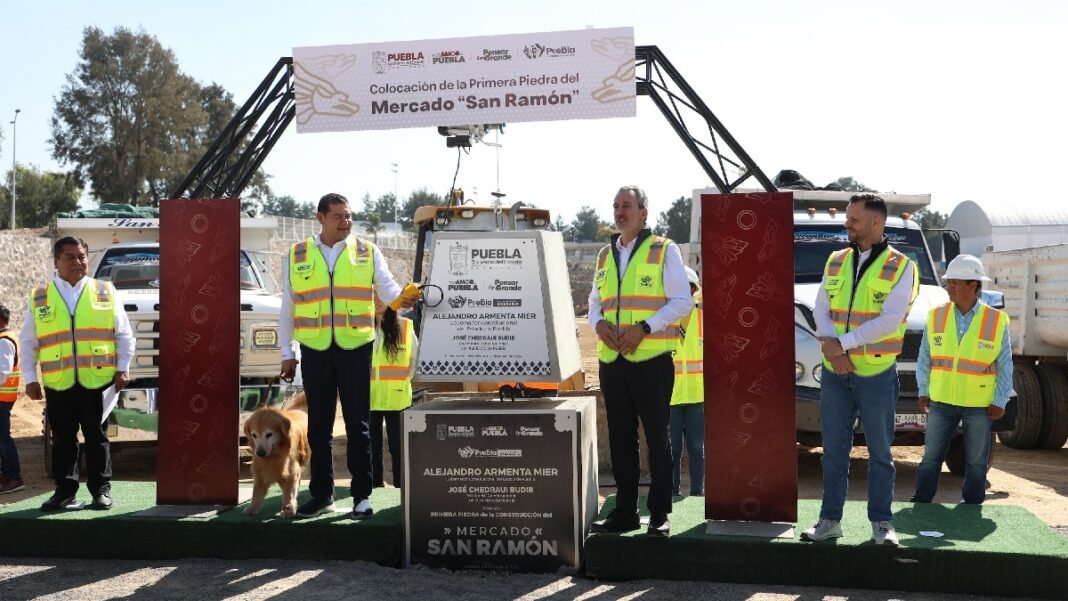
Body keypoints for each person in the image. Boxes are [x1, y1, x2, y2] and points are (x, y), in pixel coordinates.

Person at [279, 193, 415, 519]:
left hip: (356, 348)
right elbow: (288, 307)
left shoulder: (367, 251)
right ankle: (323, 494)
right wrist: (287, 353)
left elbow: (388, 287)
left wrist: (405, 298)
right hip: (315, 349)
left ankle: (361, 496)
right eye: (338, 216)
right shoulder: (296, 255)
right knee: (319, 428)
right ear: (320, 217)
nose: (346, 222)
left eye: (349, 216)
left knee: (359, 426)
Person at [802, 194, 918, 547]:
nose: (847, 224)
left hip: (876, 376)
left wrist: (842, 344)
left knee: (881, 454)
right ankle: (829, 520)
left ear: (876, 224)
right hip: (836, 373)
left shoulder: (903, 267)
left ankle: (882, 524)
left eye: (854, 219)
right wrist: (830, 347)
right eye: (848, 217)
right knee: (833, 452)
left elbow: (889, 321)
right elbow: (822, 308)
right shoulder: (835, 260)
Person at [588, 185, 694, 537]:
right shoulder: (605, 255)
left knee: (657, 439)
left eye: (627, 206)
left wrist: (643, 328)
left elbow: (682, 302)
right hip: (613, 360)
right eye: (616, 205)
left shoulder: (664, 249)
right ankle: (626, 512)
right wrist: (598, 324)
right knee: (620, 439)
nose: (620, 212)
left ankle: (660, 514)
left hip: (650, 359)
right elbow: (593, 303)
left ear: (644, 213)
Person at [21, 237, 135, 511]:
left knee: (96, 437)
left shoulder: (105, 291)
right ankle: (65, 491)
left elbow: (124, 334)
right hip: (58, 382)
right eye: (70, 257)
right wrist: (30, 377)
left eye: (82, 256)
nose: (78, 262)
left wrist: (123, 367)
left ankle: (101, 490)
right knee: (63, 439)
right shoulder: (40, 297)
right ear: (56, 262)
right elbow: (28, 341)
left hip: (97, 380)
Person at [911, 254, 1012, 505]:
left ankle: (972, 504)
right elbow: (925, 357)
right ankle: (922, 501)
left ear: (973, 285)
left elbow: (1006, 365)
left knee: (977, 462)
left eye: (956, 282)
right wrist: (923, 389)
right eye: (949, 282)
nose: (950, 287)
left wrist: (1000, 399)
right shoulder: (936, 316)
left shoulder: (996, 320)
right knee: (931, 457)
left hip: (979, 403)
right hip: (941, 399)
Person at [370, 292, 418, 488]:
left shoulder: (405, 327)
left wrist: (401, 382)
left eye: (382, 295)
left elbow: (414, 361)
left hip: (397, 399)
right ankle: (373, 487)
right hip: (368, 398)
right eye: (373, 295)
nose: (378, 300)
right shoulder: (359, 328)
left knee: (398, 448)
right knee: (371, 448)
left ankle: (400, 487)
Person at [670, 266, 704, 498]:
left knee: (696, 448)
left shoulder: (704, 320)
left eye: (689, 288)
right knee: (672, 450)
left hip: (697, 397)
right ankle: (671, 492)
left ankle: (697, 494)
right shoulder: (664, 320)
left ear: (694, 291)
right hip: (669, 397)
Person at [0, 303, 25, 494]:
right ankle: (6, 474)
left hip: (2, 397)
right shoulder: (6, 339)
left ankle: (14, 477)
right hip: (4, 396)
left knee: (3, 438)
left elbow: (3, 372)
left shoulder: (4, 341)